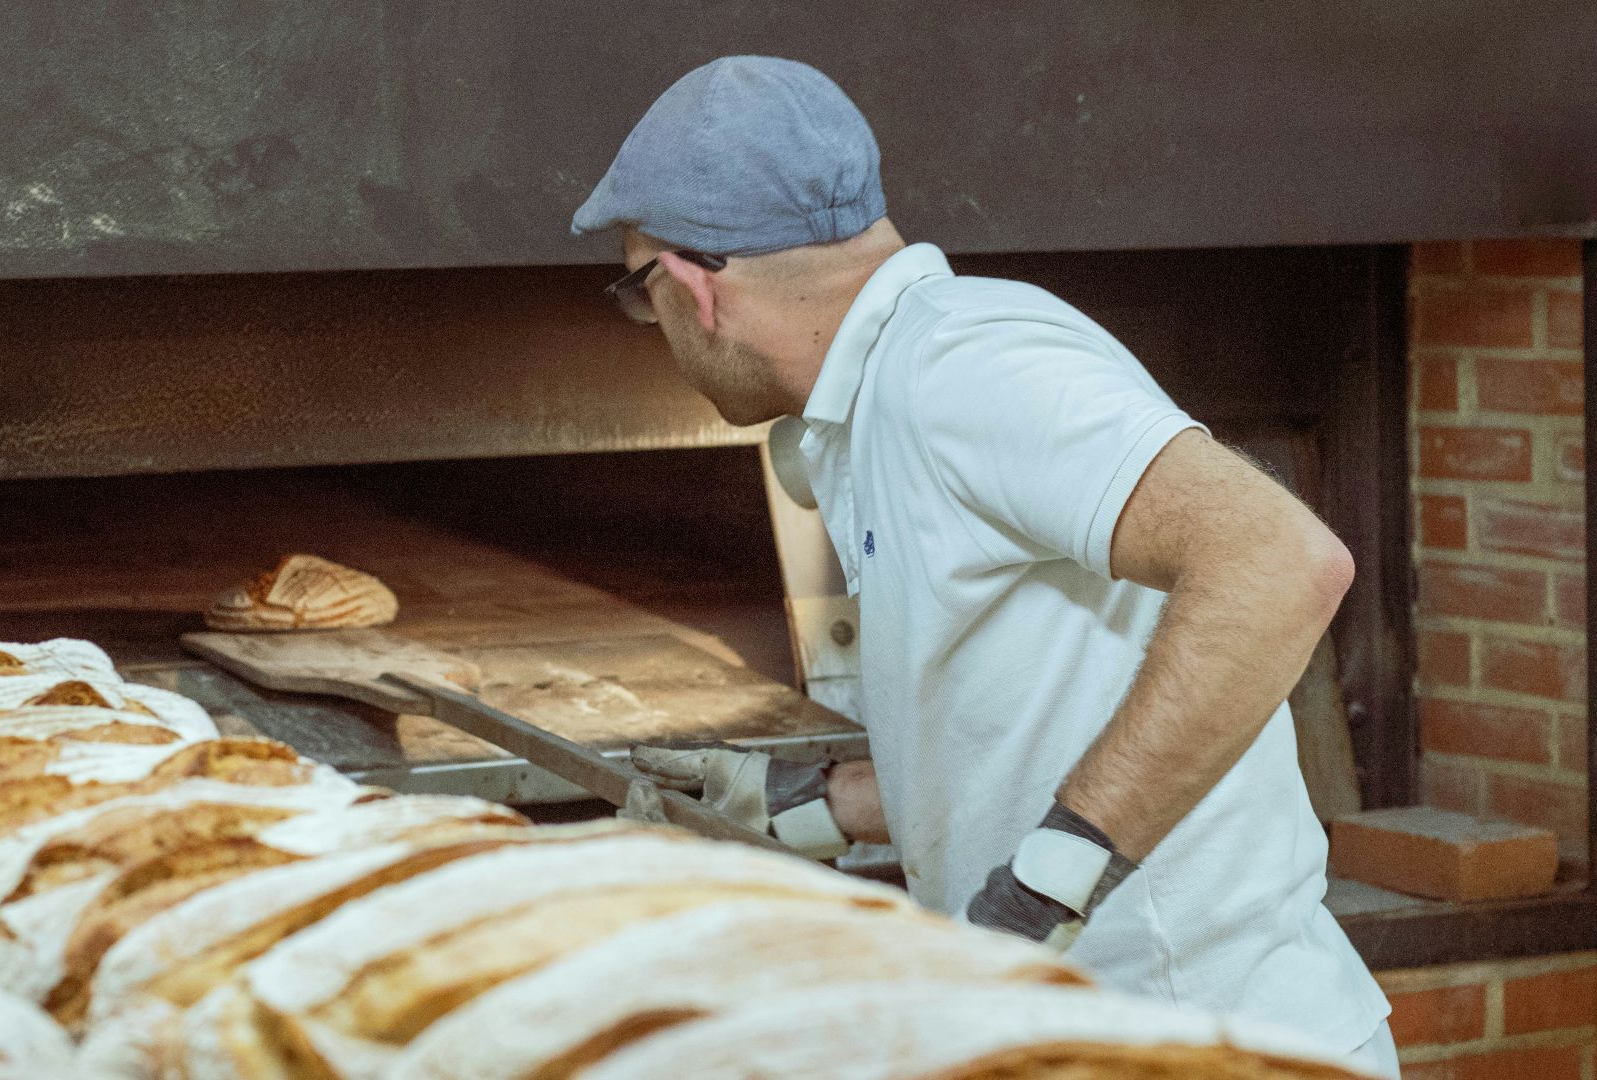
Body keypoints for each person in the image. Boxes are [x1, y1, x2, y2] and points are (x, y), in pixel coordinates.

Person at [571, 56, 1396, 1077]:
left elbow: (1282, 559)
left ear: (694, 288)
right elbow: (1031, 711)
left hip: (1203, 1041)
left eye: (638, 291)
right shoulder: (879, 397)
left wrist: (1046, 886)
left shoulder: (964, 367)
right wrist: (806, 803)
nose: (652, 325)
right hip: (1093, 1038)